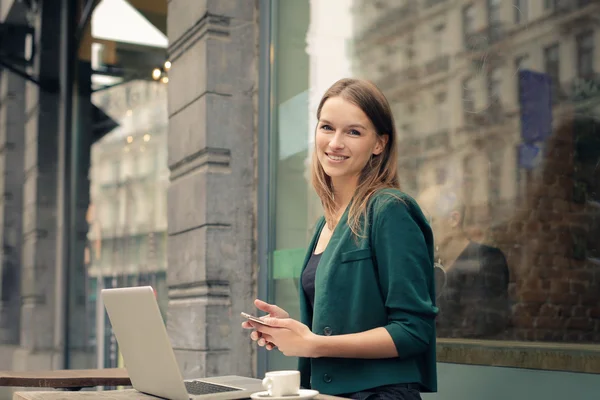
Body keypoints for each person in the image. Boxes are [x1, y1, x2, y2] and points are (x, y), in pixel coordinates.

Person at [242, 78, 438, 399]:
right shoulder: (326, 222)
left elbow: (414, 331)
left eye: (353, 132)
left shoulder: (390, 210)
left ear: (379, 144)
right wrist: (293, 330)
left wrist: (313, 343)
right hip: (328, 393)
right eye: (327, 127)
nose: (335, 143)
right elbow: (347, 318)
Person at [417, 185, 510, 339]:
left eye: (427, 220)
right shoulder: (431, 264)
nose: (419, 229)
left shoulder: (486, 260)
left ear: (454, 219)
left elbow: (478, 327)